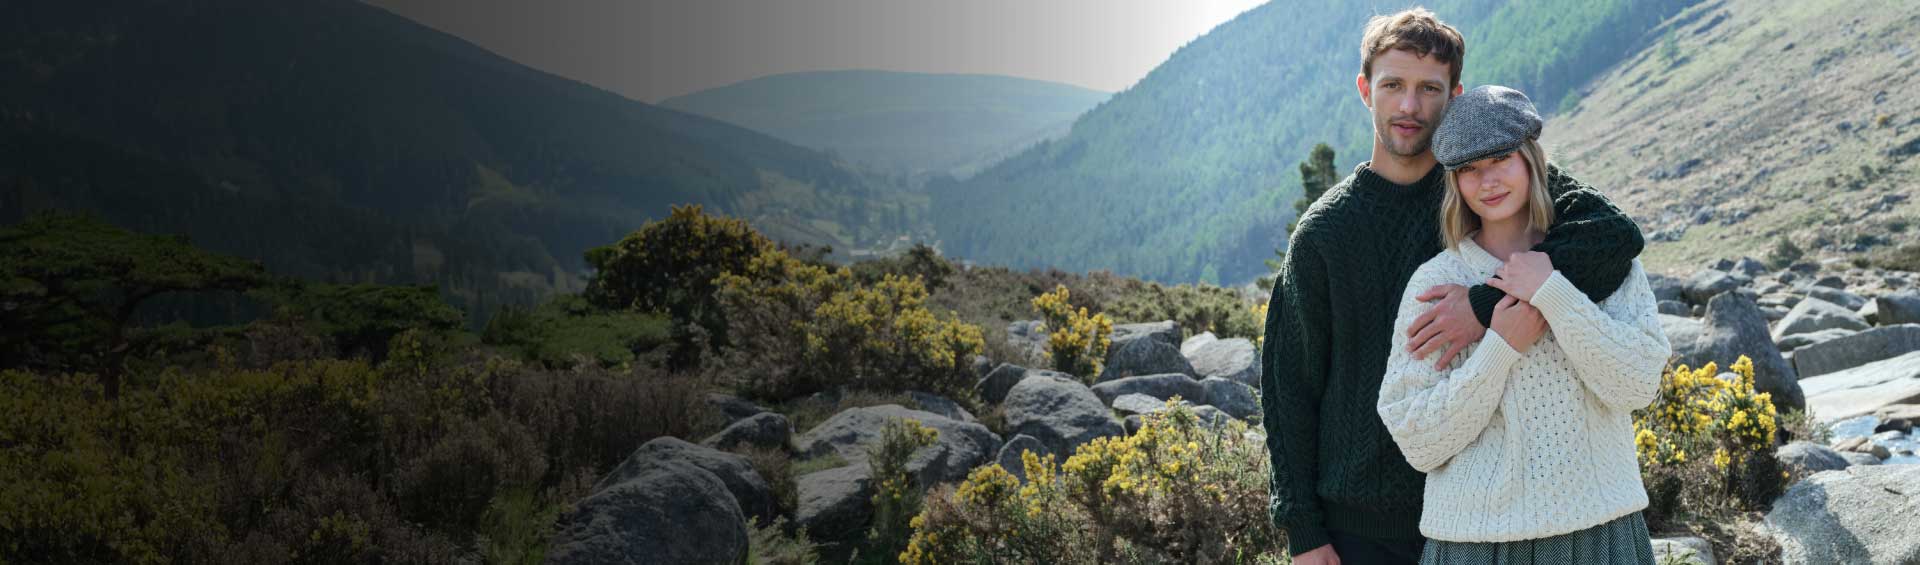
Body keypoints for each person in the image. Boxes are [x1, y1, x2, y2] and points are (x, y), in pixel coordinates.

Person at [1258, 9, 1647, 565]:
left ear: (1454, 97)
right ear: (1366, 90)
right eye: (1393, 85)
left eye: (1429, 89)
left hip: (1477, 512)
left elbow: (1612, 235)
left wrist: (1482, 306)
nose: (1410, 106)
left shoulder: (1489, 186)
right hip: (1361, 525)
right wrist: (1303, 529)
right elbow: (1289, 385)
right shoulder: (1325, 232)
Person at [1376, 84, 1669, 564]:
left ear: (1532, 160)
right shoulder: (1437, 283)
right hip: (1475, 544)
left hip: (1601, 531)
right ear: (1454, 181)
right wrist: (1499, 349)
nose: (1487, 181)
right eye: (1469, 169)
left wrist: (1553, 293)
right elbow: (1418, 439)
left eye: (1501, 159)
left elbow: (1638, 386)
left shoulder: (1599, 261)